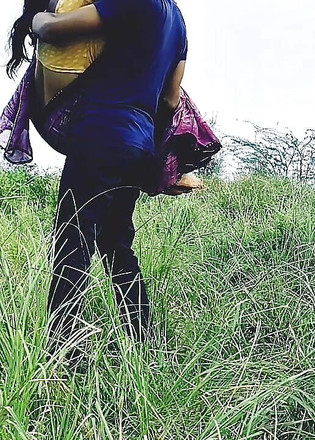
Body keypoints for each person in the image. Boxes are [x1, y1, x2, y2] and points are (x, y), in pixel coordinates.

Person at [5, 0, 188, 354]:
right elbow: (170, 99)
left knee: (72, 242)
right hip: (139, 143)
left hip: (100, 133)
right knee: (116, 244)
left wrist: (39, 18)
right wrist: (152, 151)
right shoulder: (178, 21)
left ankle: (62, 356)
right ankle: (144, 341)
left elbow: (56, 29)